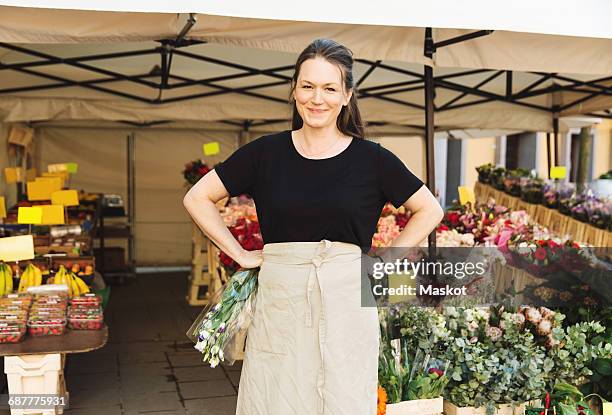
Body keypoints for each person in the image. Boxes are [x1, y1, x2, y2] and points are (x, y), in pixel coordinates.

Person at [183, 38, 444, 415]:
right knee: (276, 395)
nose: (316, 98)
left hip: (348, 296)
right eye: (307, 86)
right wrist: (238, 252)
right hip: (281, 299)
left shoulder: (373, 159)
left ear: (346, 95)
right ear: (294, 91)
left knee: (343, 394)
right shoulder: (264, 153)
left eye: (329, 88)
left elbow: (429, 210)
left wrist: (384, 261)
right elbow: (197, 197)